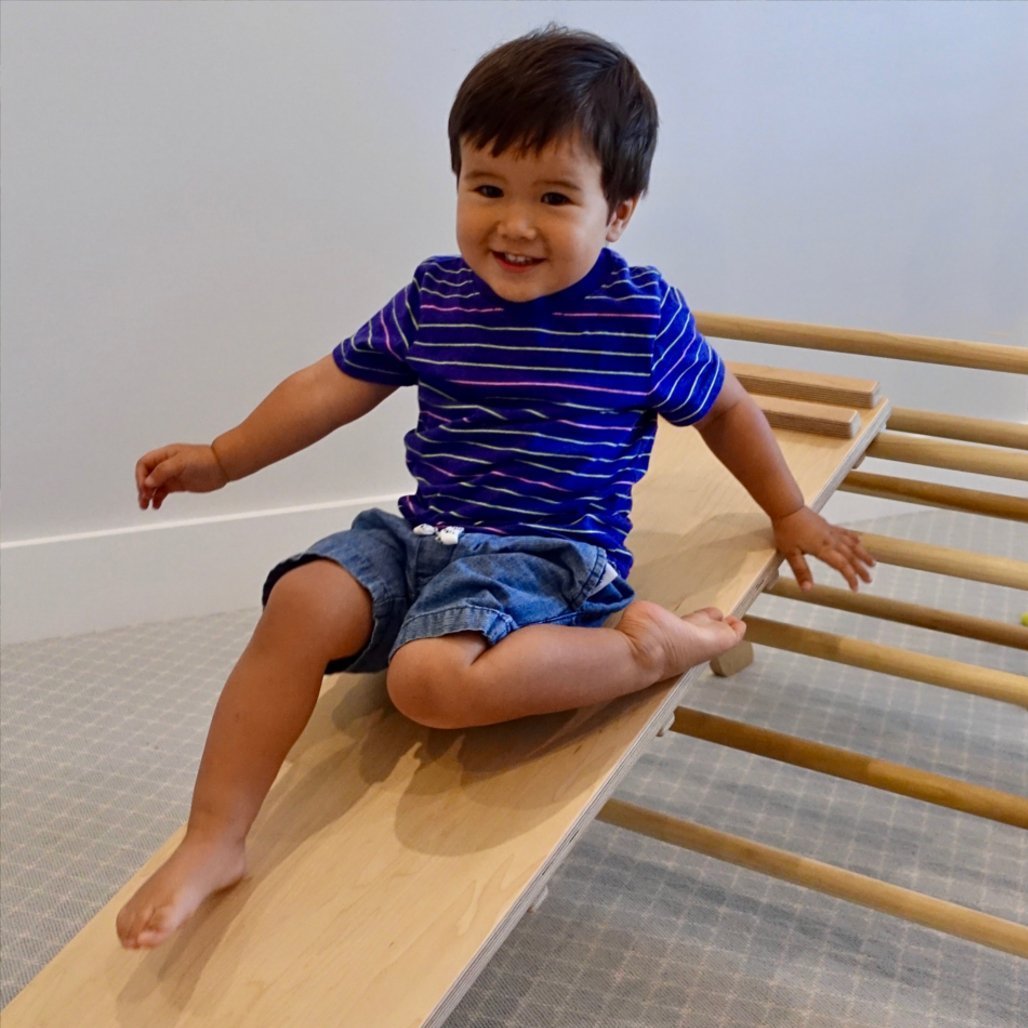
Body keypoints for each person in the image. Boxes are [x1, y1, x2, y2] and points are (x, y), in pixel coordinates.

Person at [116, 26, 873, 950]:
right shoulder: (437, 295)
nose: (513, 224)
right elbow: (329, 386)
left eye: (554, 197)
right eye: (487, 189)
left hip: (550, 554)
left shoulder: (637, 314)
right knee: (301, 600)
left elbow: (725, 409)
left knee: (425, 682)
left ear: (619, 211)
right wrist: (223, 457)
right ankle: (215, 837)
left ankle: (644, 653)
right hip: (421, 533)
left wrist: (788, 510)